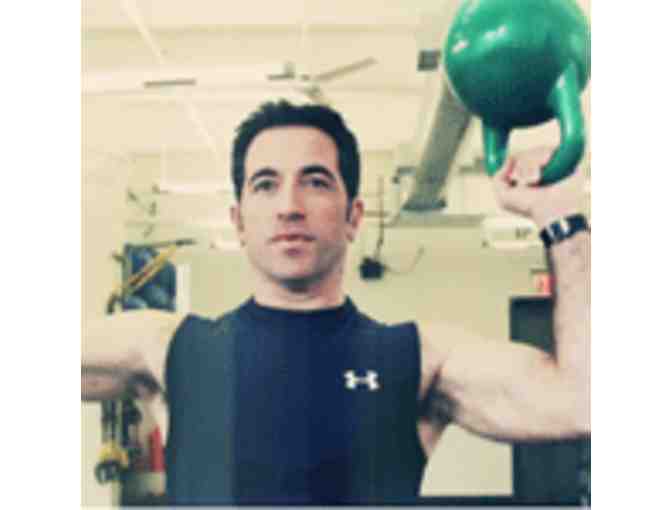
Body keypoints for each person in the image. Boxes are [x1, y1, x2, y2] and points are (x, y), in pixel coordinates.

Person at [82, 101, 590, 505]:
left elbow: (581, 401)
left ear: (353, 217)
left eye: (316, 182)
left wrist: (561, 217)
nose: (289, 207)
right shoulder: (167, 348)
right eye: (266, 185)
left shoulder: (418, 359)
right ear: (238, 222)